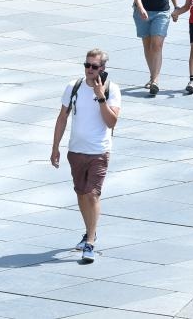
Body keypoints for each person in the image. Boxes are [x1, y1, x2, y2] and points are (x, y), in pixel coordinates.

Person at [50, 49, 121, 263]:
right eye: (87, 65)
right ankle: (90, 230)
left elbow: (112, 122)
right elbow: (62, 118)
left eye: (94, 66)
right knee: (81, 194)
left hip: (99, 151)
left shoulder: (112, 90)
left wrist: (100, 97)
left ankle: (90, 241)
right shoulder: (74, 87)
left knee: (92, 194)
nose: (89, 70)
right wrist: (55, 147)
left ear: (103, 68)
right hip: (76, 151)